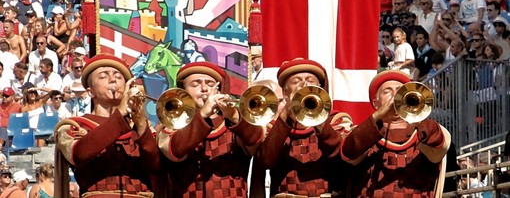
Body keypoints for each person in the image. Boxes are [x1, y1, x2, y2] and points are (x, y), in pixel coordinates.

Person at [55, 54, 160, 197]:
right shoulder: (75, 126)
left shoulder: (141, 126)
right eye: (103, 76)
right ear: (90, 91)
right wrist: (120, 114)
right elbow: (79, 154)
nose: (113, 79)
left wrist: (141, 124)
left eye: (118, 75)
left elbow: (156, 166)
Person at [157, 61, 264, 197]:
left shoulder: (234, 122)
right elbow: (174, 150)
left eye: (210, 84)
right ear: (183, 92)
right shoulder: (172, 125)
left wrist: (233, 115)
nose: (204, 89)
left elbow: (255, 139)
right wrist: (202, 115)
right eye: (195, 84)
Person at [341, 70, 450, 197]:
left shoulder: (426, 130)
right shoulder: (365, 134)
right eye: (387, 91)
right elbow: (349, 152)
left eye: (400, 91)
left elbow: (438, 146)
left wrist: (415, 115)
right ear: (376, 104)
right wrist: (378, 116)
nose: (394, 96)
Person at [256, 58, 353, 197]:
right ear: (285, 92)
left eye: (310, 80)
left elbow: (342, 155)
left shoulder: (337, 120)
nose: (303, 84)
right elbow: (266, 161)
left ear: (320, 88)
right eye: (295, 81)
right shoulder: (274, 126)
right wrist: (285, 115)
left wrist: (319, 120)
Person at [0, 88, 22, 156]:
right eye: (3, 95)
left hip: (12, 130)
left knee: (4, 132)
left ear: (12, 96)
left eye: (7, 96)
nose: (4, 97)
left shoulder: (18, 107)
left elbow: (22, 121)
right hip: (1, 130)